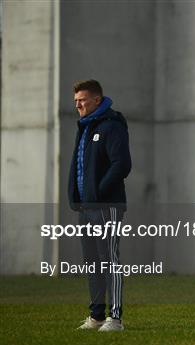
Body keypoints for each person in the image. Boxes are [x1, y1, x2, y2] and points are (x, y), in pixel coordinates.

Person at [68, 79, 131, 331]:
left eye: (81, 100)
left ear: (96, 100)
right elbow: (79, 168)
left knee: (109, 261)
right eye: (75, 101)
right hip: (86, 208)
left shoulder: (112, 125)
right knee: (92, 262)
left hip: (107, 206)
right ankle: (96, 317)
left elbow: (122, 164)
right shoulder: (84, 127)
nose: (78, 105)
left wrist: (99, 192)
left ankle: (115, 319)